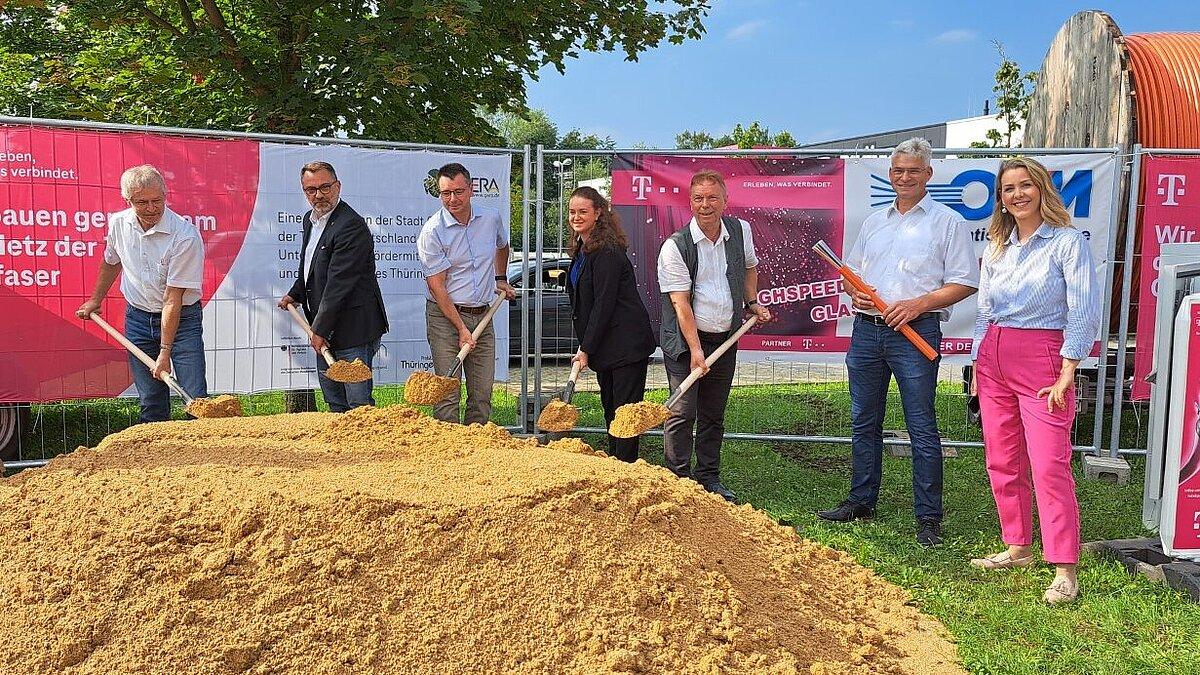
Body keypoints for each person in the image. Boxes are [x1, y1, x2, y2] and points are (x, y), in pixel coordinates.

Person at [817, 138, 979, 548]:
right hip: (867, 332)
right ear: (890, 175)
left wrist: (918, 304)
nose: (904, 177)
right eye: (897, 171)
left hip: (916, 333)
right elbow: (849, 272)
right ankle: (861, 500)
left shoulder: (948, 223)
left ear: (927, 174)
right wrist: (854, 294)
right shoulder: (874, 222)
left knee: (921, 426)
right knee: (863, 420)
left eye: (912, 170)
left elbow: (965, 282)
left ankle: (928, 517)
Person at [969, 157, 1101, 604]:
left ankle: (1064, 566)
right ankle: (1018, 546)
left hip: (1044, 357)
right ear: (1001, 200)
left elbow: (1083, 308)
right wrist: (977, 364)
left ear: (1043, 189)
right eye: (1008, 189)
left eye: (1026, 185)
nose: (1017, 194)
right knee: (1002, 459)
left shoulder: (1066, 243)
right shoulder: (996, 249)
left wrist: (1069, 368)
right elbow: (984, 311)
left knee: (1048, 464)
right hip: (995, 357)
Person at [657, 170, 772, 502]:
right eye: (698, 198)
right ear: (690, 202)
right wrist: (695, 350)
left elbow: (749, 266)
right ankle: (677, 478)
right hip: (685, 341)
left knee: (713, 412)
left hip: (725, 338)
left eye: (712, 198)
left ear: (725, 200)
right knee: (682, 411)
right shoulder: (675, 247)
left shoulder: (739, 231)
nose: (705, 205)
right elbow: (680, 304)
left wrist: (751, 302)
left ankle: (709, 478)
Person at [76, 164, 207, 423]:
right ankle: (156, 458)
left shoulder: (184, 236)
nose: (151, 208)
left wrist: (165, 352)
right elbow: (112, 261)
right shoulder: (119, 224)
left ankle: (203, 458)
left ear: (166, 195)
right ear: (128, 200)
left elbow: (173, 298)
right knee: (150, 401)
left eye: (157, 201)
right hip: (137, 318)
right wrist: (95, 300)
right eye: (142, 202)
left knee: (195, 400)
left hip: (181, 321)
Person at [278, 161, 388, 412]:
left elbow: (340, 283)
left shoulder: (351, 225)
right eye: (311, 189)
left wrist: (318, 330)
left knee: (358, 403)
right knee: (334, 400)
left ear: (337, 186)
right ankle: (341, 453)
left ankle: (369, 450)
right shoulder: (310, 220)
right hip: (325, 326)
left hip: (353, 328)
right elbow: (312, 266)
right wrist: (296, 293)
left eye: (325, 187)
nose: (319, 195)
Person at [417, 162, 516, 424]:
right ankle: (446, 452)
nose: (452, 199)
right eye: (446, 193)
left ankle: (476, 452)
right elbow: (436, 286)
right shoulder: (432, 232)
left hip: (482, 315)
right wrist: (461, 328)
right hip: (444, 318)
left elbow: (502, 246)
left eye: (458, 192)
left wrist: (501, 278)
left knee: (482, 393)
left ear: (472, 189)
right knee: (447, 392)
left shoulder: (490, 218)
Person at [564, 186, 656, 462]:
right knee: (610, 410)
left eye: (583, 212)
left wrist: (586, 349)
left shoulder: (607, 251)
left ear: (598, 213)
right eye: (572, 212)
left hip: (626, 345)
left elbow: (604, 304)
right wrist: (589, 347)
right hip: (607, 346)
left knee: (625, 413)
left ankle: (625, 469)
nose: (576, 217)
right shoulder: (583, 249)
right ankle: (616, 464)